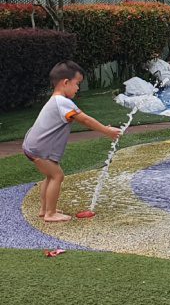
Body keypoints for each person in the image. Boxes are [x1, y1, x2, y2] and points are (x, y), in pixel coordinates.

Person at [21, 61, 121, 222]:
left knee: (50, 175)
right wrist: (107, 131)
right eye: (77, 84)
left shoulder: (57, 101)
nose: (78, 88)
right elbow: (85, 120)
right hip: (39, 149)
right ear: (65, 82)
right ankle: (50, 214)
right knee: (57, 176)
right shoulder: (63, 103)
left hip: (33, 146)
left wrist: (104, 128)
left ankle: (44, 209)